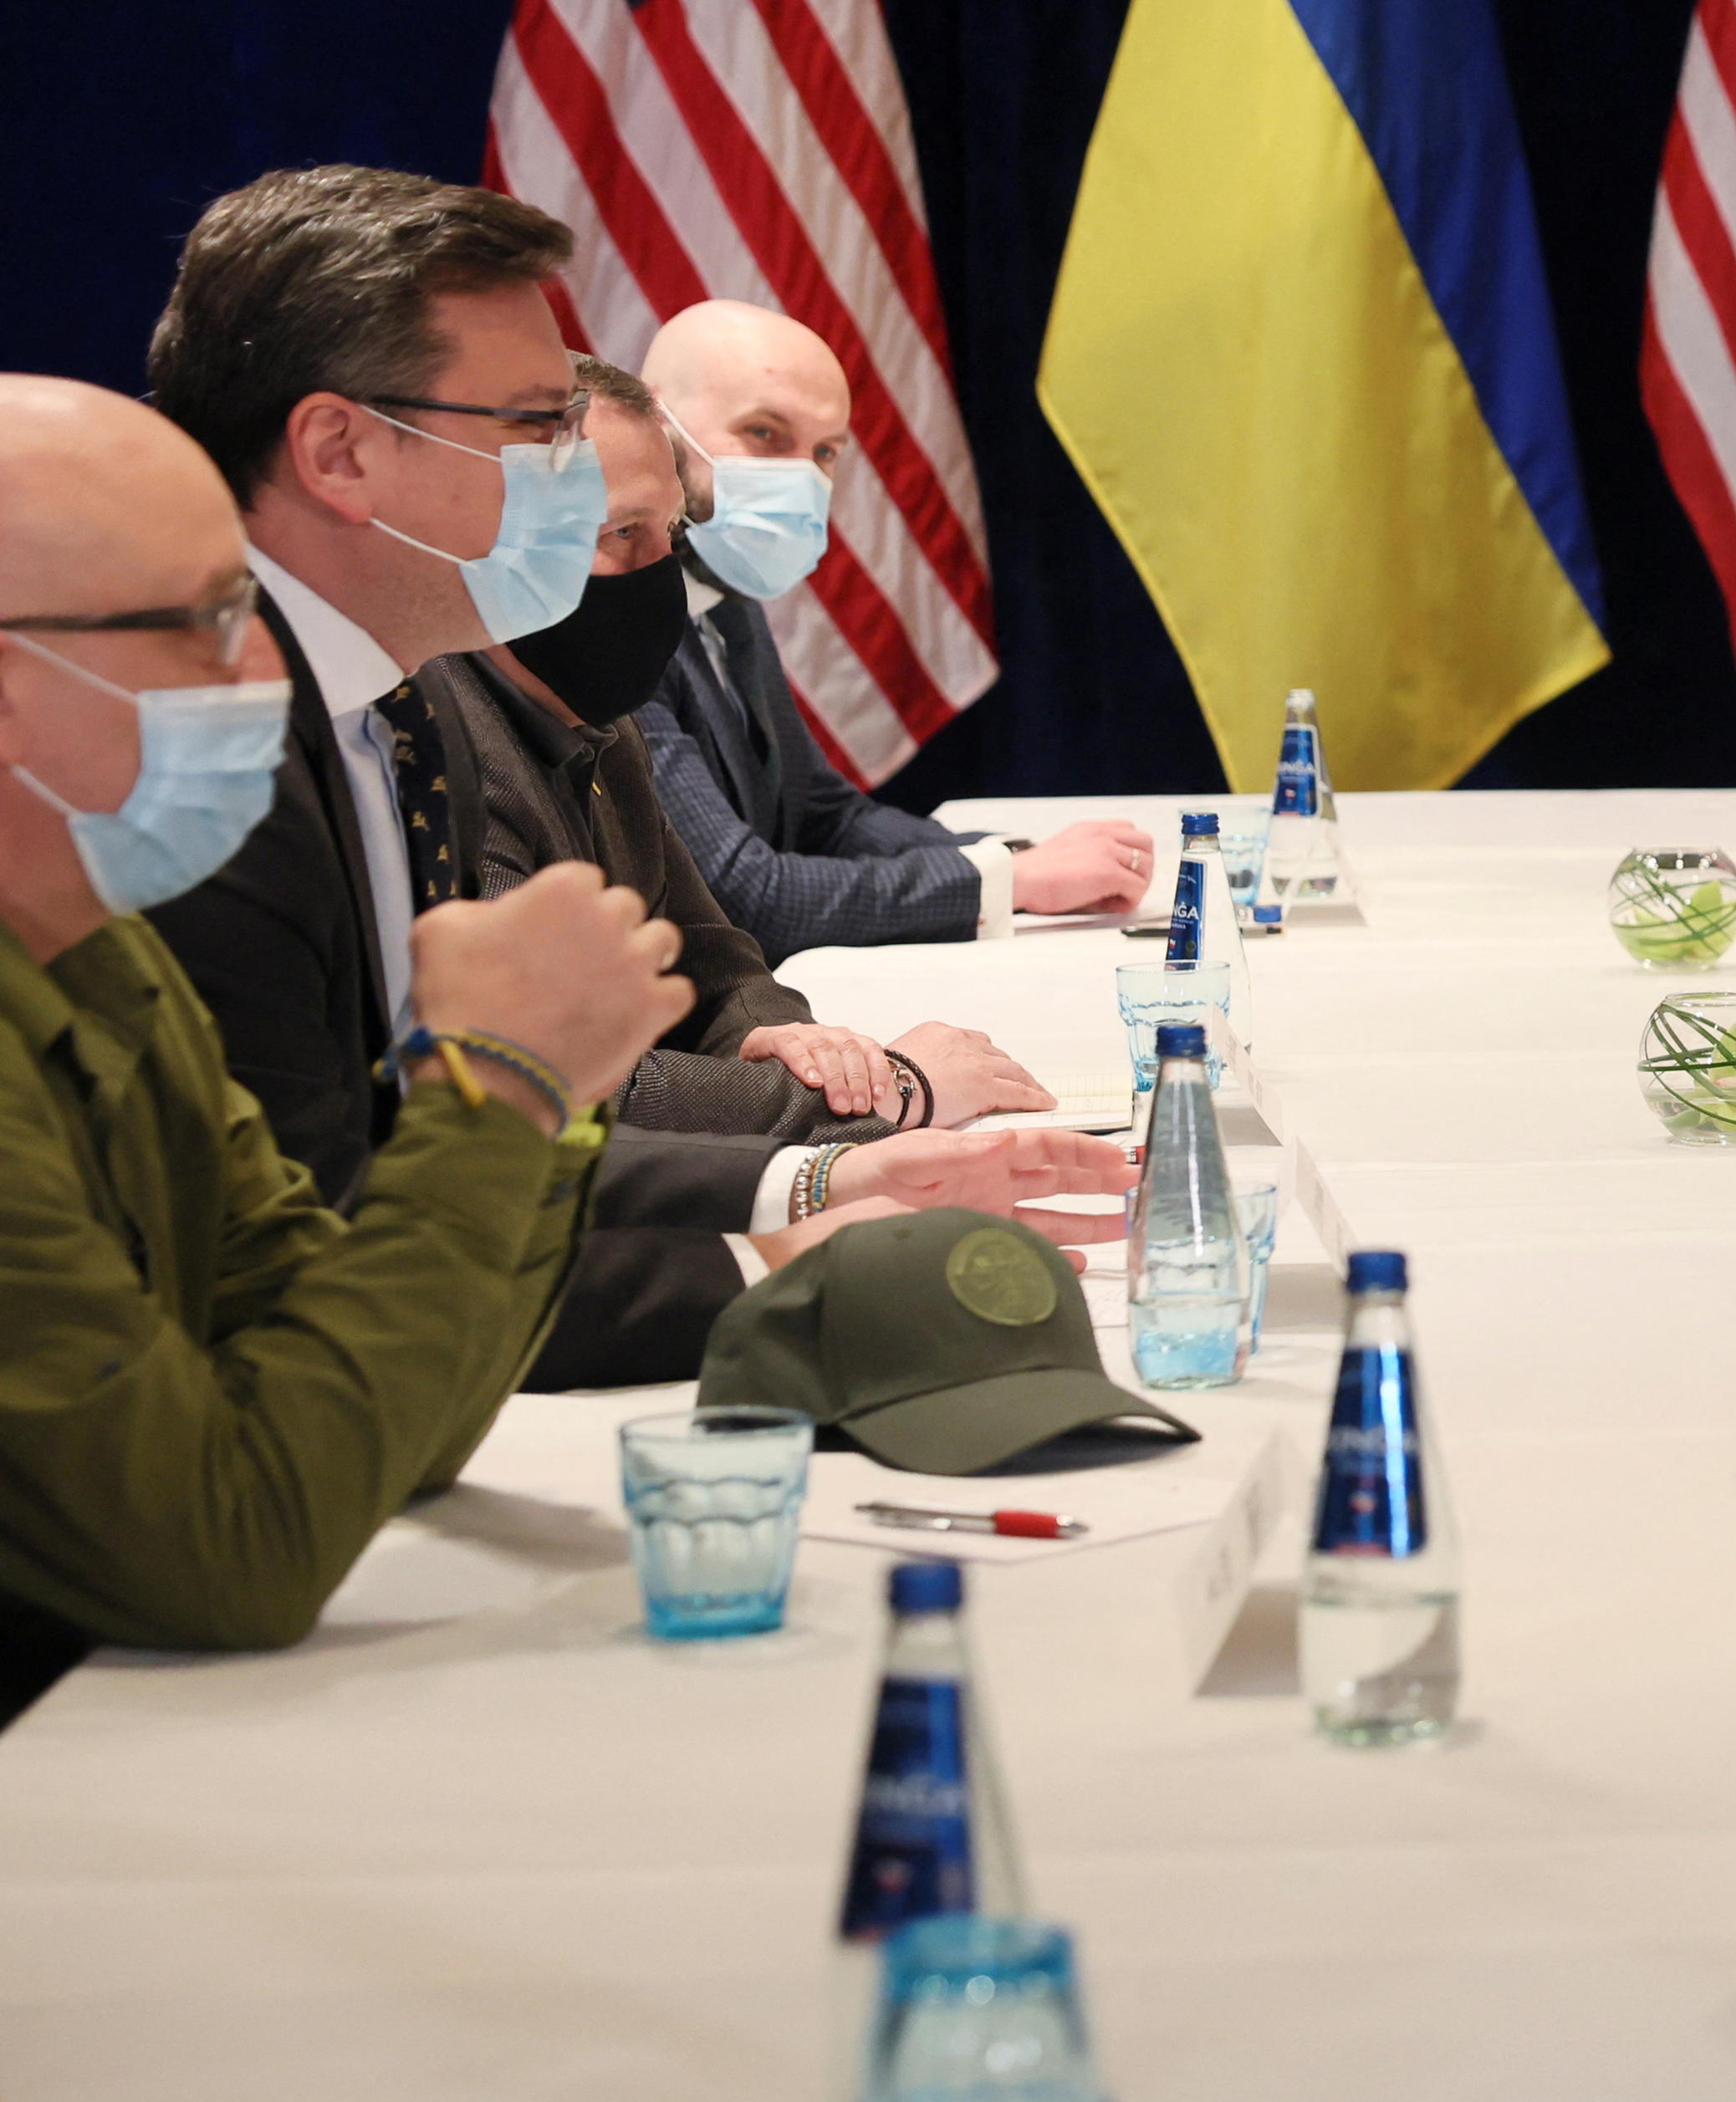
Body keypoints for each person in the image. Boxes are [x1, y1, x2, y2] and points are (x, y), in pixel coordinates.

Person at [135, 169, 1128, 1392]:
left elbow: (478, 1144)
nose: (575, 468)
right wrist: (774, 1260)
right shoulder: (193, 763)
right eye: (533, 425)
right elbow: (317, 1237)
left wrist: (818, 1181)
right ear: (340, 452)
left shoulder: (399, 704)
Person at [0, 374, 693, 1722]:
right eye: (202, 624)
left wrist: (548, 1105)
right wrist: (499, 1088)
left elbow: (383, 1418)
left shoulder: (99, 944)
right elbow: (235, 1550)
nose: (261, 669)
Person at [431, 355, 1055, 1145]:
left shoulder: (600, 719)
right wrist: (884, 1094)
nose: (660, 574)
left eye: (671, 533)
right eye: (623, 534)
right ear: (501, 539)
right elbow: (562, 1084)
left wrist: (793, 1044)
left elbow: (714, 952)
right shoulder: (444, 752)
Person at [639, 299, 1151, 962]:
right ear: (655, 425)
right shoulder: (612, 625)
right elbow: (743, 897)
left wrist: (1017, 861)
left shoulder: (725, 591)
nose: (801, 475)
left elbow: (824, 816)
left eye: (825, 452)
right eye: (765, 433)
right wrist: (1007, 882)